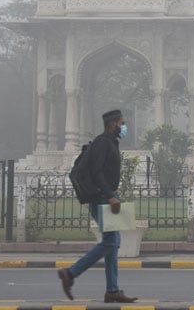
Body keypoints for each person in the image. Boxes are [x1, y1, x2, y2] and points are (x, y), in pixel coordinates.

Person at [58, 109, 137, 303]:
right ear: (113, 124)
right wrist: (110, 196)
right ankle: (71, 273)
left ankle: (112, 290)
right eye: (122, 123)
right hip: (102, 198)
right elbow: (96, 172)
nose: (125, 126)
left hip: (106, 196)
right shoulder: (103, 143)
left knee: (113, 242)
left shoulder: (110, 142)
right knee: (110, 242)